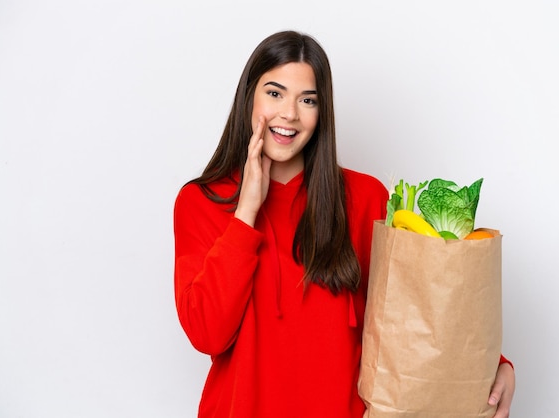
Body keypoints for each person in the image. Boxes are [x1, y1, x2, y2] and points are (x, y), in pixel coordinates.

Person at [173, 30, 515, 418]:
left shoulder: (364, 197)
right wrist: (246, 211)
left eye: (307, 100)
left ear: (322, 113)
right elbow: (206, 334)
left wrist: (496, 362)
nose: (289, 113)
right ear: (248, 96)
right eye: (274, 93)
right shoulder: (202, 202)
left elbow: (412, 309)